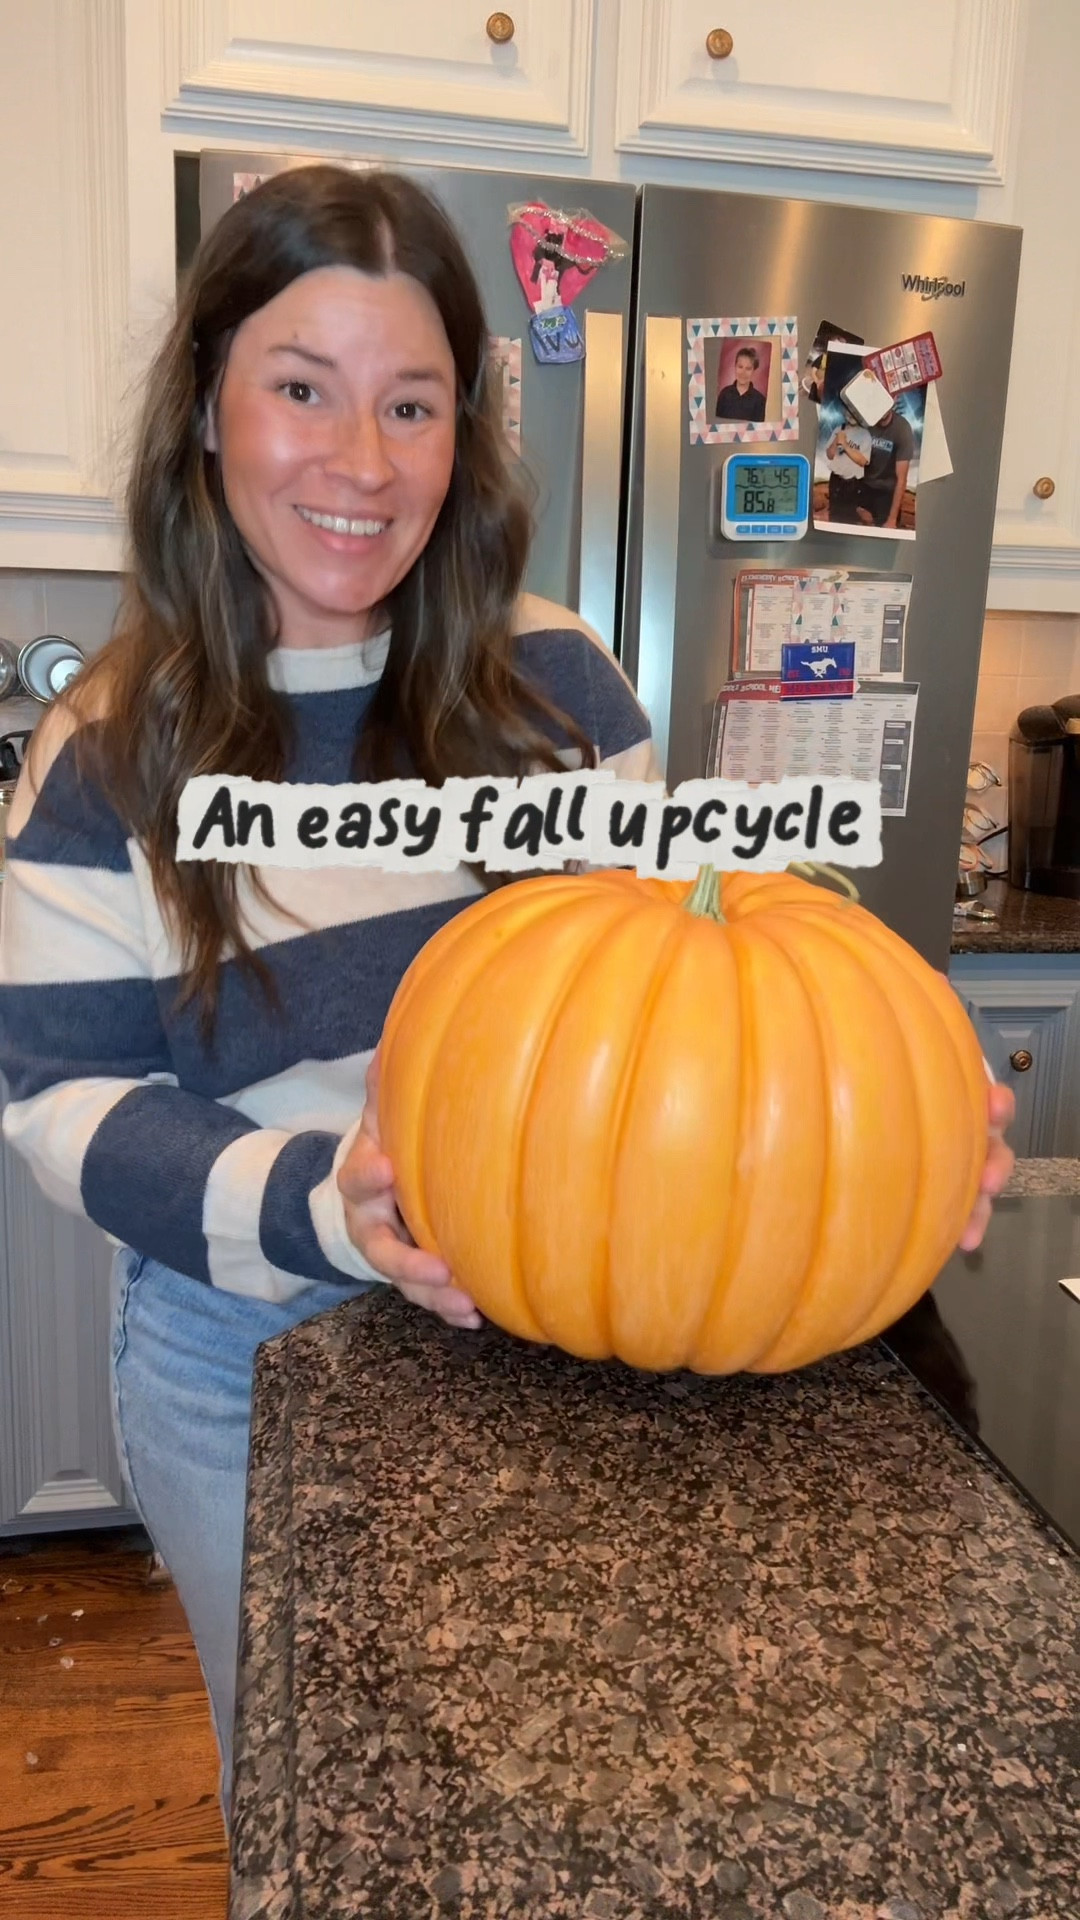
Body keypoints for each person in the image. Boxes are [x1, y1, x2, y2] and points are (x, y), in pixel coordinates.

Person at [0, 165, 1014, 1826]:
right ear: (206, 409)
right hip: (238, 1351)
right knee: (317, 1798)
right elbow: (58, 1095)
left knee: (524, 1785)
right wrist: (341, 1202)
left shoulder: (561, 686)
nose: (360, 460)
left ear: (461, 436)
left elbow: (691, 1002)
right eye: (301, 390)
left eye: (412, 403)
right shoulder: (114, 746)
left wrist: (897, 1103)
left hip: (540, 1336)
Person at [854, 401, 915, 529]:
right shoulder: (864, 423)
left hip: (887, 492)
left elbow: (901, 479)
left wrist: (892, 520)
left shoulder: (902, 428)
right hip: (864, 485)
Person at [824, 418, 872, 523]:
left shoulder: (865, 434)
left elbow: (863, 461)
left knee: (849, 518)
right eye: (848, 411)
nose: (851, 415)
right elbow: (830, 455)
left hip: (852, 484)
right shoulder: (838, 429)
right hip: (836, 481)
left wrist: (845, 445)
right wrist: (836, 440)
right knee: (834, 516)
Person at [715, 345, 767, 423]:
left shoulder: (760, 401)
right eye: (740, 367)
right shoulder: (724, 394)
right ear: (735, 367)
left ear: (754, 371)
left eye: (748, 369)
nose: (743, 373)